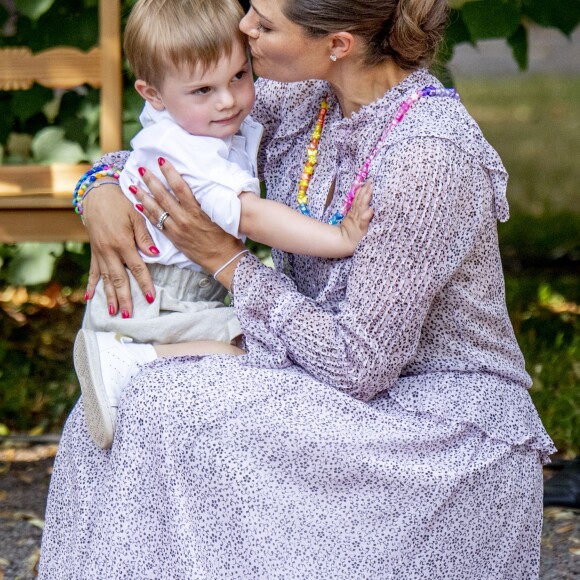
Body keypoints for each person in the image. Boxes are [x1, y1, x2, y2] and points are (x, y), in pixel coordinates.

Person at [39, 0, 556, 577]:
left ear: (337, 44)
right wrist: (100, 191)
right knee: (117, 408)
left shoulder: (428, 160)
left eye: (263, 22)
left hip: (433, 422)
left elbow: (361, 363)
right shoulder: (308, 100)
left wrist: (226, 260)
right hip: (316, 372)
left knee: (168, 403)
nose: (243, 29)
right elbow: (174, 146)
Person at [73, 0, 372, 450]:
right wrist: (340, 237)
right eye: (204, 90)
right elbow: (250, 215)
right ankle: (130, 360)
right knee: (255, 347)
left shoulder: (184, 114)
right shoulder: (193, 153)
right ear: (152, 93)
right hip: (163, 297)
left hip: (169, 292)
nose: (229, 100)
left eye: (239, 75)